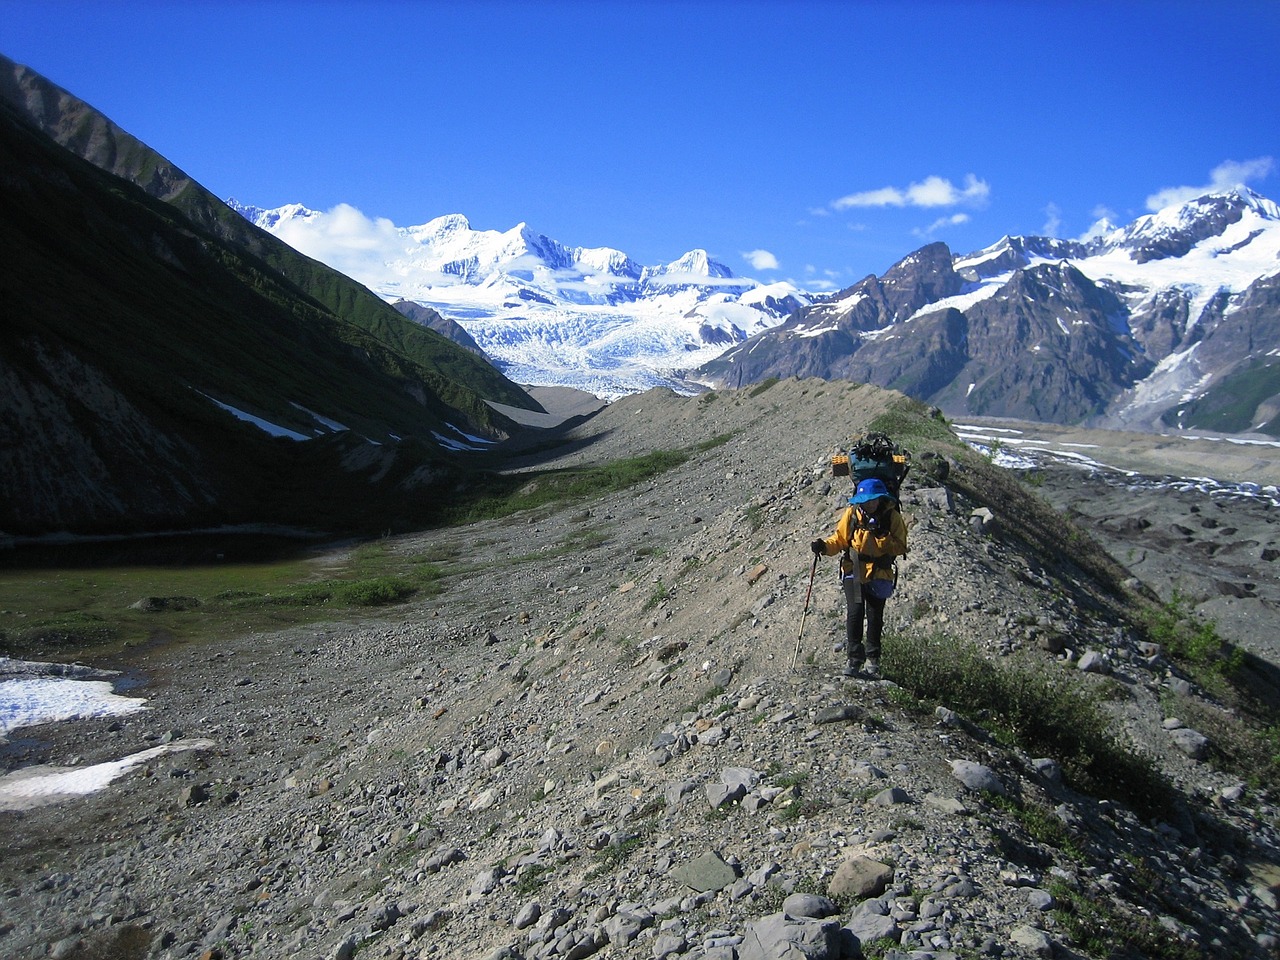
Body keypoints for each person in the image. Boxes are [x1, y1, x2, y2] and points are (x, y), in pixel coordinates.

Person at [811, 477, 908, 679]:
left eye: (873, 500)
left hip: (880, 572)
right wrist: (823, 547)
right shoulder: (852, 514)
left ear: (880, 499)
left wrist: (882, 538)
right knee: (855, 612)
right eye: (865, 500)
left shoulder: (892, 517)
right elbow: (839, 540)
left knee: (875, 616)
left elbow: (901, 547)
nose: (869, 503)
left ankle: (873, 660)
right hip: (853, 569)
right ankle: (854, 660)